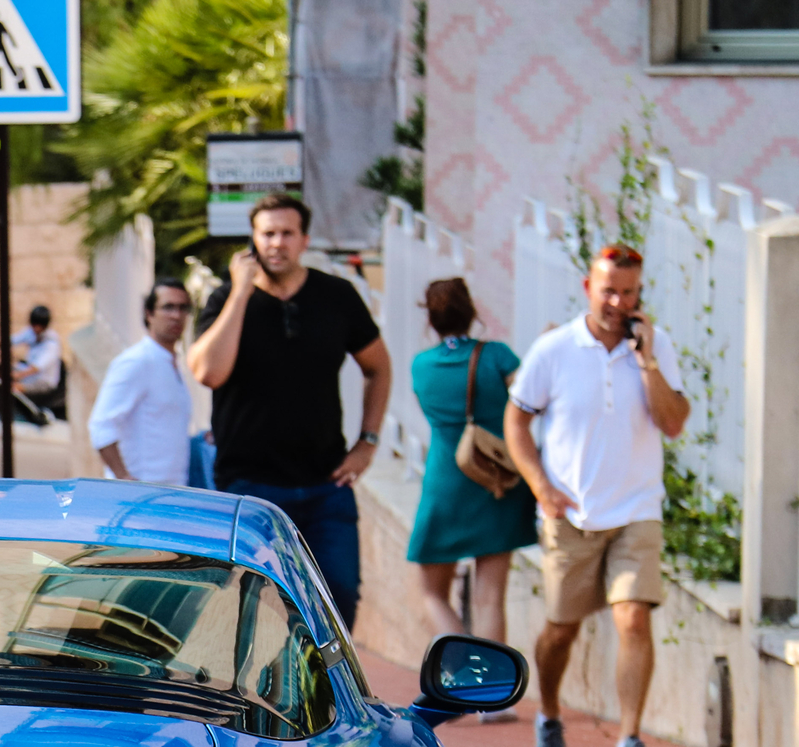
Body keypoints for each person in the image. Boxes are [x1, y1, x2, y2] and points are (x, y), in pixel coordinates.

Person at [503, 243, 692, 747]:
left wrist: (648, 361)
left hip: (637, 508)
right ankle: (550, 715)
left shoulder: (654, 349)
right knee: (560, 630)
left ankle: (631, 740)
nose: (617, 301)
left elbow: (674, 422)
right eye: (608, 290)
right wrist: (541, 485)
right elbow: (515, 421)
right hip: (571, 514)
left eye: (628, 292)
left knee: (633, 618)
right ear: (588, 288)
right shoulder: (554, 349)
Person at [187, 193, 392, 631]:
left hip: (326, 485)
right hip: (249, 488)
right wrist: (240, 292)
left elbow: (378, 367)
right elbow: (208, 372)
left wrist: (367, 443)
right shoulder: (225, 299)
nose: (276, 243)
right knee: (255, 610)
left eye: (286, 233)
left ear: (304, 240)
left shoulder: (336, 296)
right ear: (253, 241)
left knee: (339, 597)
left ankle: (330, 699)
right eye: (267, 234)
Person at [406, 276, 538, 720]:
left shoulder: (421, 366)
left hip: (446, 479)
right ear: (471, 310)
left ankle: (461, 679)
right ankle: (495, 700)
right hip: (497, 479)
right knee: (489, 595)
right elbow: (531, 397)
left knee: (430, 592)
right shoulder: (497, 355)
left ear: (430, 317)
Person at [90, 279, 193, 486]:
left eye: (183, 308)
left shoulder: (171, 362)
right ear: (149, 313)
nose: (176, 315)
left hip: (172, 492)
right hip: (141, 496)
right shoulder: (137, 361)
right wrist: (124, 478)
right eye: (168, 307)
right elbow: (101, 425)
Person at [11, 305, 64, 417]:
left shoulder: (51, 344)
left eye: (40, 326)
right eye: (34, 325)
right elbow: (13, 340)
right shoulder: (30, 332)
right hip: (28, 376)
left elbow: (36, 368)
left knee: (13, 388)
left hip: (43, 383)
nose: (36, 329)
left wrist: (18, 375)